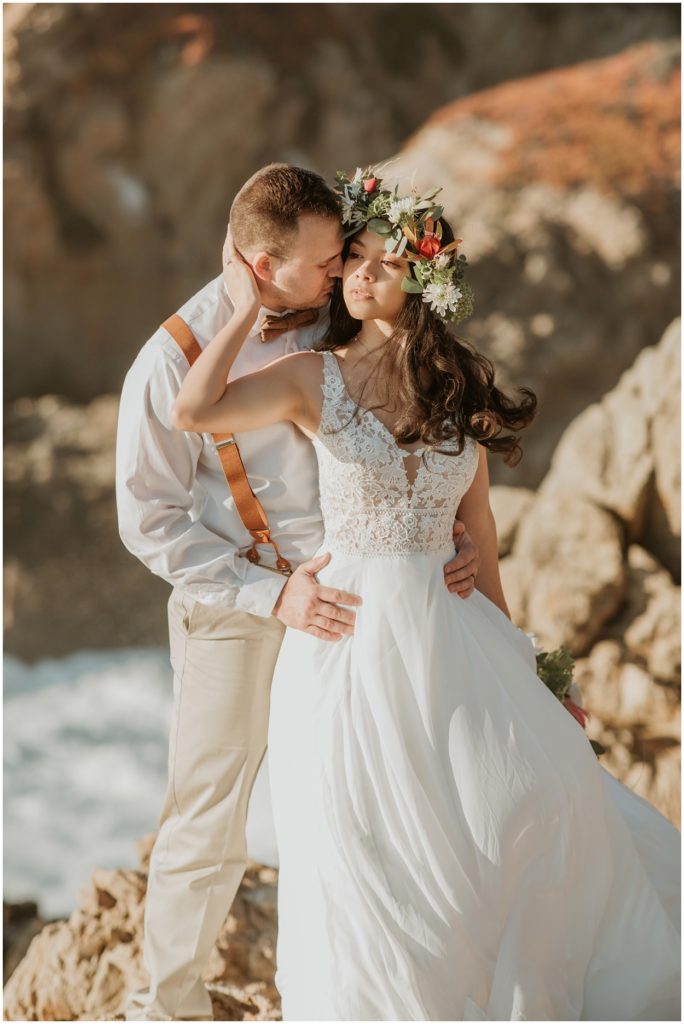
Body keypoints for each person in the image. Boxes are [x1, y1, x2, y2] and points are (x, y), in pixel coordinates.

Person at [173, 167, 681, 1021]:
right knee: (365, 851)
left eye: (383, 260)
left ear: (424, 278)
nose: (359, 274)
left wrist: (530, 671)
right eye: (353, 258)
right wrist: (240, 306)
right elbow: (193, 411)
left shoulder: (460, 383)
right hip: (348, 646)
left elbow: (478, 530)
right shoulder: (311, 376)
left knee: (530, 806)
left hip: (455, 639)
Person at [116, 163, 480, 1021]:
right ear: (260, 265)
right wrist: (268, 595)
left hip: (363, 605)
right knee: (210, 819)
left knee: (376, 800)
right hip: (238, 611)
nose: (338, 274)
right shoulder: (169, 363)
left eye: (341, 257)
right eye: (324, 263)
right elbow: (149, 522)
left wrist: (442, 529)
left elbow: (406, 415)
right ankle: (168, 1007)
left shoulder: (336, 312)